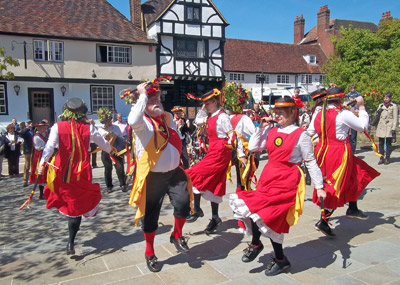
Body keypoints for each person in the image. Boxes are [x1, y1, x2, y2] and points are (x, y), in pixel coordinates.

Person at [229, 97, 326, 276]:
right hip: (269, 176)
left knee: (271, 217)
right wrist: (260, 128)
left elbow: (311, 161)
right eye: (276, 112)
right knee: (255, 209)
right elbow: (253, 146)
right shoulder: (272, 130)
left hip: (287, 180)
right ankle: (260, 246)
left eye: (282, 112)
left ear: (293, 113)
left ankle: (277, 257)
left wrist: (319, 186)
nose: (277, 115)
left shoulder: (301, 134)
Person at [128, 81, 192, 273]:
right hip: (153, 177)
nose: (155, 101)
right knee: (151, 217)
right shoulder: (142, 124)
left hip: (174, 173)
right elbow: (132, 120)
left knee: (183, 204)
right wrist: (142, 94)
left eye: (157, 98)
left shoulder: (168, 117)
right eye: (150, 99)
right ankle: (149, 252)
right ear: (142, 102)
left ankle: (177, 235)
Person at [37, 98, 113, 255]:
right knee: (76, 205)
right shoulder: (89, 128)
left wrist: (41, 163)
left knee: (71, 203)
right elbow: (104, 146)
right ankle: (71, 241)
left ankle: (71, 241)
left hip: (63, 171)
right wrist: (113, 151)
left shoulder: (58, 127)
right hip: (81, 172)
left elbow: (49, 147)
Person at [307, 87, 380, 237]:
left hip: (322, 151)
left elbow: (310, 132)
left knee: (354, 175)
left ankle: (352, 207)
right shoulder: (343, 113)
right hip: (339, 152)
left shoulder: (319, 113)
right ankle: (324, 219)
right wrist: (361, 107)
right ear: (340, 99)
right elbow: (362, 127)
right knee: (337, 183)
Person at [186, 89, 246, 234]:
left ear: (215, 101)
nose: (205, 105)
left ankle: (197, 209)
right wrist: (201, 111)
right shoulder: (210, 115)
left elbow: (233, 136)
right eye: (204, 103)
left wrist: (241, 154)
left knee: (193, 173)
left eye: (207, 103)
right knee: (215, 185)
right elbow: (197, 122)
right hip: (213, 150)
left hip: (220, 152)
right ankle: (215, 217)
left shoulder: (222, 117)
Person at [97, 107, 128, 193]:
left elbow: (121, 137)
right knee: (108, 168)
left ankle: (122, 184)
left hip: (117, 150)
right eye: (106, 121)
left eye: (109, 120)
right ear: (103, 122)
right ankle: (109, 186)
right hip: (106, 150)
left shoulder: (116, 127)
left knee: (120, 167)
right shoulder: (100, 129)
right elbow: (100, 140)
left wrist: (115, 137)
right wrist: (106, 137)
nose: (108, 122)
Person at [375, 92, 398, 165]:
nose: (385, 99)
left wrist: (393, 128)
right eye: (384, 98)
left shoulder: (393, 106)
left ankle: (387, 158)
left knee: (388, 143)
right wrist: (378, 112)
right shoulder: (381, 105)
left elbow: (395, 118)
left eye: (387, 98)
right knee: (381, 143)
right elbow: (377, 115)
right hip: (381, 126)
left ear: (390, 98)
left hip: (389, 126)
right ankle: (381, 158)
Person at [29, 120, 49, 199]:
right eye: (43, 127)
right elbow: (38, 147)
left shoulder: (46, 135)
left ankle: (47, 192)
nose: (44, 128)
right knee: (41, 174)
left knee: (47, 173)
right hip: (40, 156)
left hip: (47, 155)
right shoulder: (36, 136)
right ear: (39, 128)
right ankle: (41, 193)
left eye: (45, 127)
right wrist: (48, 147)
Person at [347, 85, 362, 153]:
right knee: (348, 138)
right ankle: (348, 150)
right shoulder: (347, 106)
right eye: (350, 99)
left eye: (353, 99)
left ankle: (353, 150)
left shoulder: (357, 106)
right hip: (348, 124)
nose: (351, 100)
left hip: (354, 124)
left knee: (353, 137)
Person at [19, 121, 33, 187]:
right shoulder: (26, 131)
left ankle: (33, 179)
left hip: (35, 149)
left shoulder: (34, 130)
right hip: (27, 149)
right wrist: (27, 128)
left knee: (34, 165)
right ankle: (25, 180)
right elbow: (21, 134)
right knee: (27, 165)